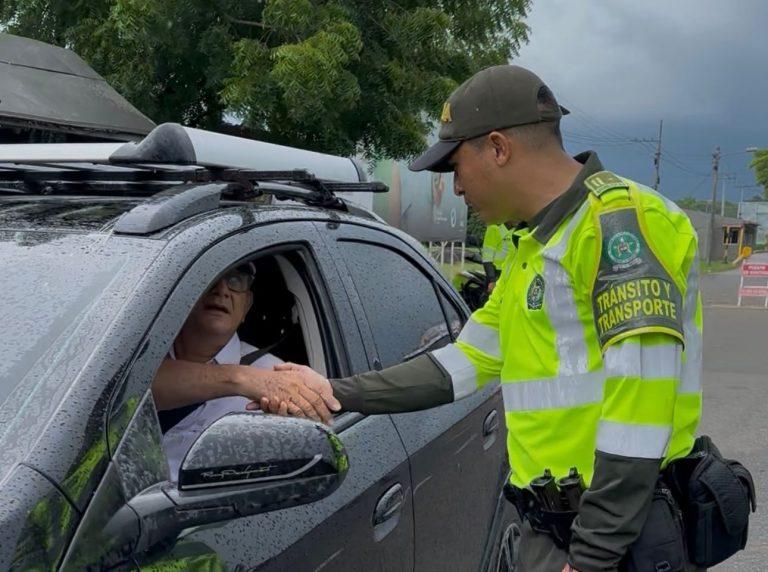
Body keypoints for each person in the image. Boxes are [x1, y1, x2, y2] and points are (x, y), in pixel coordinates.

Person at [268, 65, 704, 571]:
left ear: (498, 148)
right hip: (556, 528)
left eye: (456, 166)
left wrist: (590, 559)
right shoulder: (536, 247)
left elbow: (640, 410)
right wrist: (334, 389)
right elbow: (462, 364)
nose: (455, 188)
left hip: (617, 542)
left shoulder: (619, 224)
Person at [151, 262, 339, 476]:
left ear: (246, 306)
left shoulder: (278, 380)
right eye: (210, 277)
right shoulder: (140, 354)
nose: (222, 290)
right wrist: (239, 378)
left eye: (235, 281)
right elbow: (127, 386)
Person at [481, 222, 514, 291]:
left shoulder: (517, 231)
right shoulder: (494, 229)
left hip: (510, 275)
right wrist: (492, 280)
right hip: (496, 274)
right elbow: (487, 258)